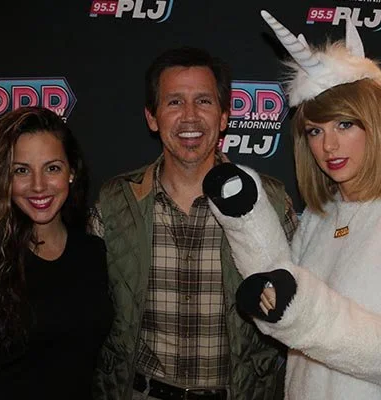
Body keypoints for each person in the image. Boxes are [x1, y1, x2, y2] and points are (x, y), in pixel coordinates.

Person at [203, 10, 381, 400]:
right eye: (315, 131)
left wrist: (304, 312)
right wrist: (246, 218)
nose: (328, 146)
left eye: (344, 125)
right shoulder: (321, 218)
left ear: (377, 126)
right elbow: (282, 294)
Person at [89, 46, 298, 400]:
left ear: (224, 117)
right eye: (174, 102)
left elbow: (300, 304)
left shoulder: (270, 201)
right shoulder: (115, 203)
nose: (190, 116)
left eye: (203, 101)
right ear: (152, 117)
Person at [0, 106, 113, 400]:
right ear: (3, 179)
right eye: (21, 170)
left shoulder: (93, 252)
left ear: (71, 172)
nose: (38, 186)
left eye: (52, 168)